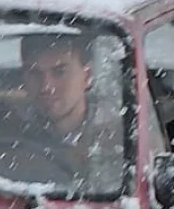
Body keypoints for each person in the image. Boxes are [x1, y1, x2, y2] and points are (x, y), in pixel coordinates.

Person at [18, 33, 125, 193]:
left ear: (87, 76)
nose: (46, 86)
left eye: (59, 72)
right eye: (34, 74)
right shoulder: (8, 136)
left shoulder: (124, 138)